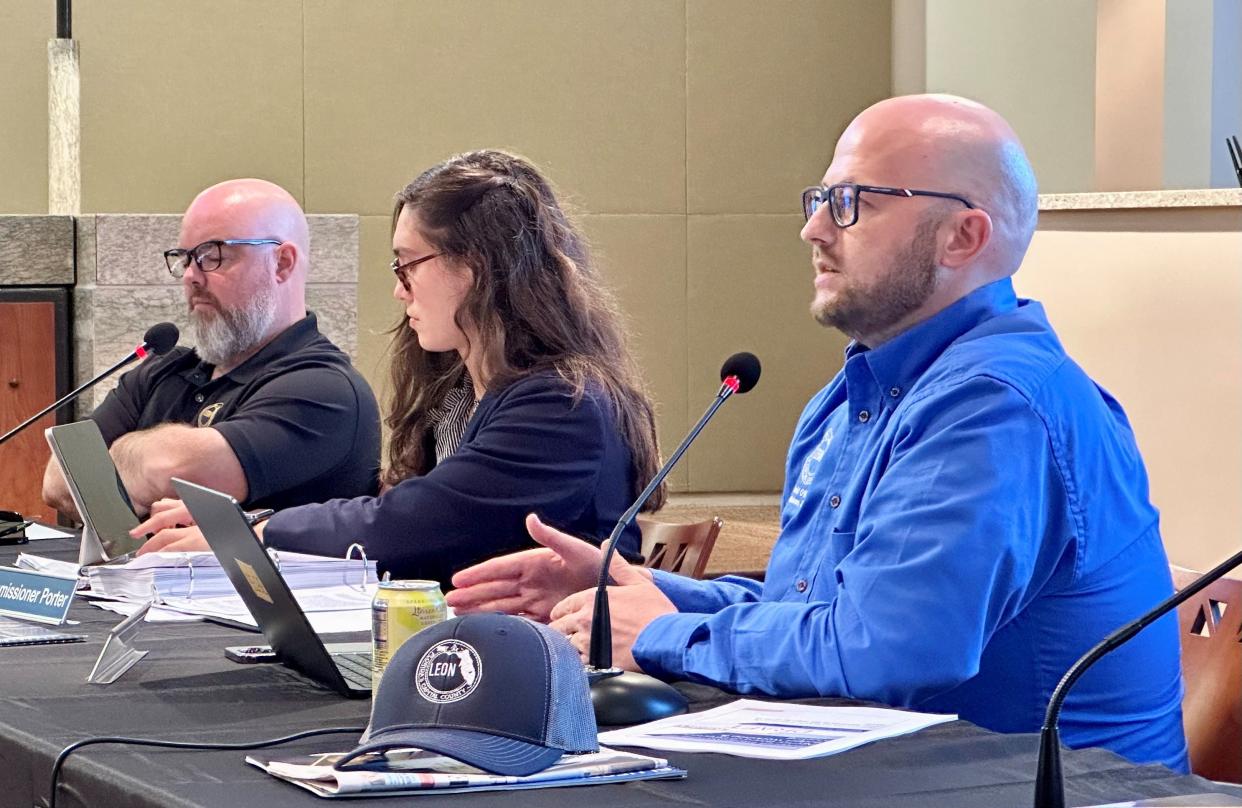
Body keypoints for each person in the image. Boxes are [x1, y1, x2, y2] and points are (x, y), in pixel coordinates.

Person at [446, 96, 1189, 771]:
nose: (813, 228)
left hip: (1050, 788)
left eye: (851, 203)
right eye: (820, 199)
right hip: (913, 771)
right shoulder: (855, 394)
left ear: (963, 236)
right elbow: (818, 606)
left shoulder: (992, 404)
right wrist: (636, 593)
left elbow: (888, 650)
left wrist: (662, 633)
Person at [136, 150, 664, 584]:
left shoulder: (562, 406)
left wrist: (250, 530)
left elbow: (419, 524)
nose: (398, 289)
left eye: (408, 264)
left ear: (477, 266)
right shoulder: (460, 392)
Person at [41, 179, 381, 516]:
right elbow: (58, 480)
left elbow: (174, 472)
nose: (191, 275)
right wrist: (143, 463)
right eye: (185, 258)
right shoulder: (163, 371)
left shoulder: (324, 388)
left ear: (282, 263)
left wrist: (121, 456)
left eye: (212, 255)